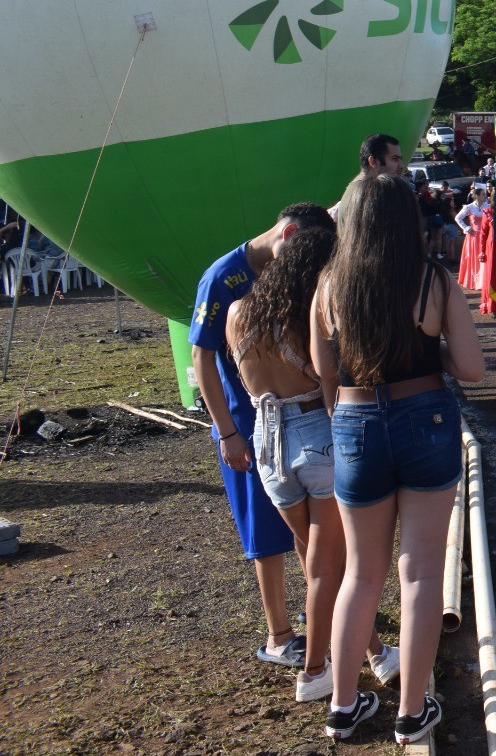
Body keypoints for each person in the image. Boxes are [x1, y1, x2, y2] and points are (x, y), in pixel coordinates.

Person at [310, 172, 484, 744]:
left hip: (356, 423)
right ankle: (412, 711)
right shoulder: (432, 281)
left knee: (360, 574)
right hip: (426, 418)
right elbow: (472, 367)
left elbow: (324, 373)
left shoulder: (329, 287)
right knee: (422, 572)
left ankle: (342, 704)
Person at [224, 227, 397, 702]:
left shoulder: (238, 313)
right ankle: (316, 672)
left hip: (267, 440)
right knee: (326, 566)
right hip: (315, 433)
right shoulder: (306, 316)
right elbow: (334, 374)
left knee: (315, 557)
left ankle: (376, 653)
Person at [189, 201, 335, 670]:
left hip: (286, 421)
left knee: (307, 531)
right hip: (249, 424)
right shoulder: (222, 279)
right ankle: (278, 634)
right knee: (265, 535)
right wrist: (227, 431)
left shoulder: (284, 273)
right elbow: (201, 359)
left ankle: (322, 613)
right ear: (289, 234)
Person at [454, 187, 488, 291]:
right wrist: (466, 227)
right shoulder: (469, 207)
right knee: (474, 257)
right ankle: (474, 280)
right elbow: (458, 218)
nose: (485, 196)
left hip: (485, 236)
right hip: (473, 237)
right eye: (482, 194)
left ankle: (484, 280)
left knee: (485, 257)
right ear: (477, 196)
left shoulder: (487, 206)